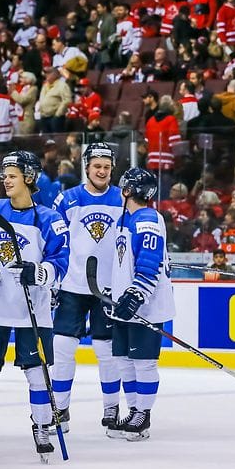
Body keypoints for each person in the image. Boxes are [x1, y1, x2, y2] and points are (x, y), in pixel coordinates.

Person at [0, 150, 69, 463]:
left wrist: (38, 273)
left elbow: (61, 262)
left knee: (38, 374)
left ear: (29, 177)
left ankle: (41, 426)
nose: (5, 180)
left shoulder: (49, 218)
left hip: (31, 310)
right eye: (5, 174)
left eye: (12, 174)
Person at [49, 144, 124, 434]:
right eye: (97, 166)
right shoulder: (67, 199)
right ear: (87, 167)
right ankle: (60, 407)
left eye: (106, 166)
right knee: (64, 347)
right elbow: (55, 242)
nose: (102, 171)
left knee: (106, 350)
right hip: (73, 285)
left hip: (108, 288)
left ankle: (111, 408)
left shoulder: (122, 199)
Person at [106, 167, 175, 441]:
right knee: (124, 360)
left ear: (126, 191)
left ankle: (143, 415)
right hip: (125, 304)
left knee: (143, 362)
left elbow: (148, 263)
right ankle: (135, 408)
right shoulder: (126, 219)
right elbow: (123, 263)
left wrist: (136, 295)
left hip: (144, 305)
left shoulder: (147, 219)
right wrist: (114, 294)